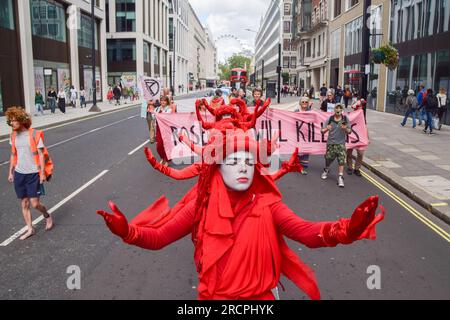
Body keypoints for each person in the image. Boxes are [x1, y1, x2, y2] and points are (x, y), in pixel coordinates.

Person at [97, 126, 384, 300]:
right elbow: (159, 237)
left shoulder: (267, 203)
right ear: (218, 167)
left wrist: (348, 230)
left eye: (249, 161)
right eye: (233, 160)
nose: (244, 167)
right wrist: (128, 232)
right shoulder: (202, 202)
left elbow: (308, 233)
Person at [6, 107, 53, 240]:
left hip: (33, 173)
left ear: (21, 121)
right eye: (11, 121)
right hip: (20, 173)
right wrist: (11, 172)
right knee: (24, 203)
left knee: (35, 204)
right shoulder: (13, 135)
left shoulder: (34, 134)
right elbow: (13, 154)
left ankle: (47, 215)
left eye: (14, 121)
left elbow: (41, 154)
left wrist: (42, 173)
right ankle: (30, 229)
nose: (12, 123)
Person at [321, 104, 352, 188]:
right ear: (334, 109)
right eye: (336, 108)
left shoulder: (345, 119)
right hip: (331, 143)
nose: (338, 110)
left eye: (340, 108)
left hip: (341, 144)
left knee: (341, 160)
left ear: (342, 110)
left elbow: (350, 131)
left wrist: (345, 128)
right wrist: (327, 128)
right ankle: (326, 169)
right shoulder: (329, 119)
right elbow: (322, 131)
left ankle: (340, 177)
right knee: (328, 159)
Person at [347, 98, 368, 177]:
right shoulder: (350, 115)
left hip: (360, 138)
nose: (360, 107)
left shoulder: (362, 116)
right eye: (359, 106)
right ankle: (349, 167)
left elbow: (365, 126)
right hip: (351, 137)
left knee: (360, 153)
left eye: (361, 106)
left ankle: (357, 168)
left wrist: (367, 137)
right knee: (349, 153)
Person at [295, 96, 312, 175]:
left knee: (305, 150)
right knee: (297, 150)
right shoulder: (296, 111)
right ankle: (297, 166)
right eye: (303, 102)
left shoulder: (311, 112)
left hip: (306, 134)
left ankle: (303, 167)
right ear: (300, 103)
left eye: (306, 102)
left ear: (308, 103)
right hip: (297, 134)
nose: (304, 103)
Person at [155, 96, 173, 165]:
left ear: (167, 102)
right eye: (161, 100)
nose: (163, 102)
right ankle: (163, 158)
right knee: (159, 146)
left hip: (165, 129)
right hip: (158, 129)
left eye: (164, 101)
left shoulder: (169, 109)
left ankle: (166, 159)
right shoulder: (156, 109)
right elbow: (154, 117)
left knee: (166, 145)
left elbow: (166, 117)